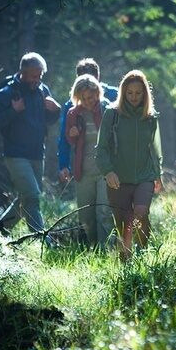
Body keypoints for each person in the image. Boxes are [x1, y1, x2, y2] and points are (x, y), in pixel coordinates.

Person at [0, 52, 61, 234]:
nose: (37, 79)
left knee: (26, 198)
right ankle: (41, 238)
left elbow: (48, 121)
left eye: (40, 75)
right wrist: (13, 110)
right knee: (32, 196)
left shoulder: (43, 91)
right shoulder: (7, 93)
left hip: (37, 153)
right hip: (15, 154)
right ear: (23, 72)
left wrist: (56, 111)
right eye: (33, 75)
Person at [96, 70, 163, 262]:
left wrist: (158, 175)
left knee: (140, 214)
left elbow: (156, 149)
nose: (134, 97)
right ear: (123, 93)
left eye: (138, 93)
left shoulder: (150, 118)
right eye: (130, 93)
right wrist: (108, 171)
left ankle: (143, 251)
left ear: (145, 94)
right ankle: (126, 259)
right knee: (123, 222)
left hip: (144, 176)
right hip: (118, 178)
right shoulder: (112, 114)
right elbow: (101, 149)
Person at [64, 74, 113, 246]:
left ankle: (106, 250)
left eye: (90, 97)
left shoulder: (107, 108)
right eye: (83, 98)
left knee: (104, 212)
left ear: (97, 93)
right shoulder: (73, 113)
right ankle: (93, 247)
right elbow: (69, 140)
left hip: (105, 170)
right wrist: (72, 134)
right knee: (86, 215)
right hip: (83, 170)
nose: (87, 101)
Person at [58, 58, 118, 184]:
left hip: (111, 166)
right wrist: (64, 165)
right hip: (84, 168)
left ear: (98, 76)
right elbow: (65, 137)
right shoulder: (71, 105)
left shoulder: (114, 96)